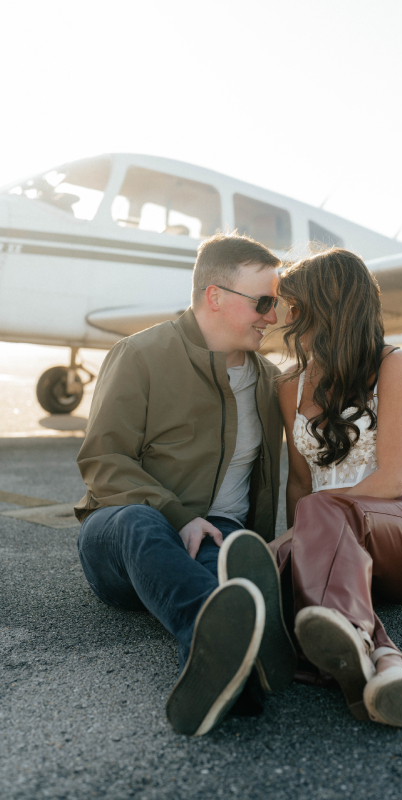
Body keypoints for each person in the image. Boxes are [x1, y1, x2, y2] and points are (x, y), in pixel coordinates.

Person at [74, 233, 296, 737]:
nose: (272, 316)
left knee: (225, 561)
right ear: (215, 295)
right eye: (263, 302)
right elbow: (103, 459)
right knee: (140, 521)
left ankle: (233, 678)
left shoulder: (268, 381)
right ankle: (220, 634)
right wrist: (178, 516)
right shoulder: (140, 355)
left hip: (215, 539)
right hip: (125, 533)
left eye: (276, 303)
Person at [272, 248, 402, 728]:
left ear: (325, 306)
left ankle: (358, 644)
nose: (284, 316)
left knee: (310, 519)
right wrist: (296, 548)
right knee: (289, 544)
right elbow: (299, 482)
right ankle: (387, 666)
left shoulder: (395, 366)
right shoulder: (289, 385)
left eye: (293, 304)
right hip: (337, 555)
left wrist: (293, 540)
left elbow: (390, 478)